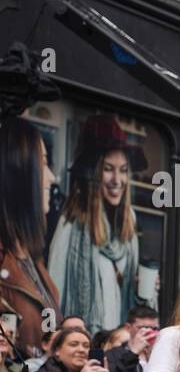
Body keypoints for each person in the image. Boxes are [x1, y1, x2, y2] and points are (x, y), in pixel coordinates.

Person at [48, 114, 145, 337]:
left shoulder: (128, 222)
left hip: (117, 346)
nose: (117, 180)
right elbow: (54, 292)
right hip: (83, 344)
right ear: (94, 173)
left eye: (123, 170)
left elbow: (127, 297)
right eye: (108, 168)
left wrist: (143, 288)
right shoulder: (73, 221)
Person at [0, 119, 61, 359]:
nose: (51, 177)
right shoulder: (6, 265)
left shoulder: (32, 261)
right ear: (21, 176)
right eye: (43, 164)